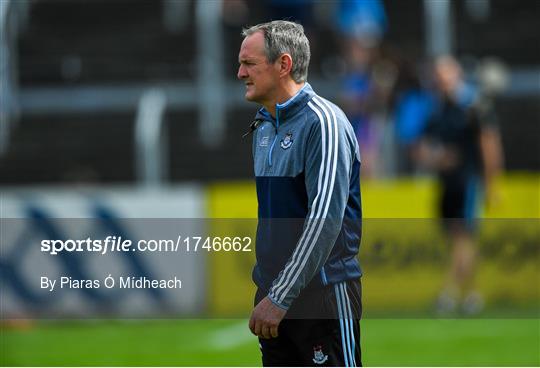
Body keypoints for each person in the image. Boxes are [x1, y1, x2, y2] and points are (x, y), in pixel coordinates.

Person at [237, 20, 363, 366]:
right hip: (274, 294)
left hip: (321, 294)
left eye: (249, 63)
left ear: (284, 64)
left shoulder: (324, 123)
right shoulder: (263, 124)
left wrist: (279, 296)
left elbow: (324, 221)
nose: (239, 73)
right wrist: (270, 292)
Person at [414, 55, 504, 315]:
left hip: (468, 181)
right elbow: (422, 146)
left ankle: (449, 293)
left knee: (464, 237)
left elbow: (490, 146)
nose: (441, 83)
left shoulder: (473, 106)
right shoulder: (438, 109)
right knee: (457, 241)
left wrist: (491, 184)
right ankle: (473, 294)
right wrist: (436, 158)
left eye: (445, 77)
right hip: (447, 183)